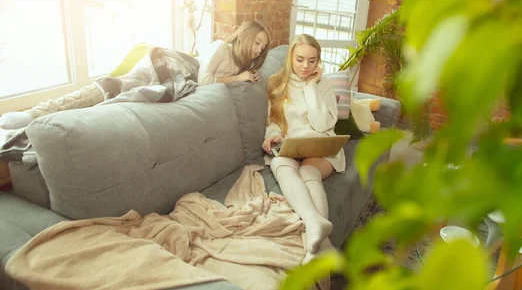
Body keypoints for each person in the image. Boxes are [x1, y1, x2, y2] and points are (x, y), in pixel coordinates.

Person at [0, 21, 271, 130]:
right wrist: (240, 78)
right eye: (257, 41)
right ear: (245, 34)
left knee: (117, 101)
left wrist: (247, 76)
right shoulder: (220, 47)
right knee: (112, 87)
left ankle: (45, 122)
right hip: (168, 67)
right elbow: (204, 80)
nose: (258, 48)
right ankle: (34, 113)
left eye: (262, 46)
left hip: (178, 83)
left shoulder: (241, 64)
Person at [262, 34, 344, 264]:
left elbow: (321, 124)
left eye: (312, 60)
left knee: (308, 172)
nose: (306, 66)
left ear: (318, 60)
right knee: (278, 162)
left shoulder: (323, 84)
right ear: (290, 57)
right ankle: (318, 230)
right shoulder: (277, 83)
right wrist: (272, 135)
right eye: (300, 60)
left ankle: (315, 237)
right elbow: (274, 120)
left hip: (321, 142)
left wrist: (310, 88)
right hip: (293, 142)